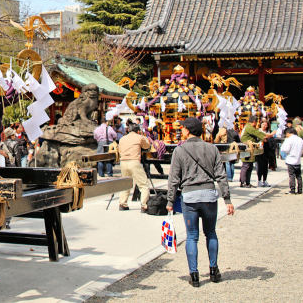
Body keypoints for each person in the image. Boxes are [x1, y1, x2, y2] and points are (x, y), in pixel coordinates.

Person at [166, 117, 234, 288]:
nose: (181, 131)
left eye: (182, 129)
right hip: (209, 195)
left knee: (192, 236)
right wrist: (227, 199)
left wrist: (170, 200)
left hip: (189, 196)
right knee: (211, 233)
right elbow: (221, 174)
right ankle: (213, 270)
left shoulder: (179, 151)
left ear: (188, 130)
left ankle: (194, 275)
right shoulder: (212, 148)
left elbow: (174, 178)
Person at [117, 124, 151, 212]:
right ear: (138, 131)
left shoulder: (122, 138)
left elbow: (119, 150)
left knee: (126, 183)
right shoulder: (139, 137)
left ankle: (122, 203)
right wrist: (144, 136)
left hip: (123, 162)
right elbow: (147, 146)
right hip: (134, 161)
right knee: (143, 184)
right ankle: (144, 205)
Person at [239, 115, 274, 187]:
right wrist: (268, 135)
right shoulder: (249, 127)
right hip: (246, 148)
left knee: (250, 166)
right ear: (254, 122)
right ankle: (243, 182)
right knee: (246, 165)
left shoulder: (249, 127)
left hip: (250, 149)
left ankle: (247, 182)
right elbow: (257, 133)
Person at [280, 127, 303, 194]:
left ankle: (292, 190)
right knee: (299, 176)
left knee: (292, 176)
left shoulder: (289, 140)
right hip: (298, 160)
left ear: (288, 133)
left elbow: (285, 149)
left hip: (290, 160)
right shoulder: (300, 139)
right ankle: (300, 190)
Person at [255, 119, 276, 187]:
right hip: (259, 150)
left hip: (267, 150)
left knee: (265, 166)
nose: (264, 126)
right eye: (263, 124)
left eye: (266, 125)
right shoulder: (258, 131)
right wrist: (269, 135)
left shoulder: (269, 132)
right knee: (259, 166)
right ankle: (259, 180)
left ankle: (265, 180)